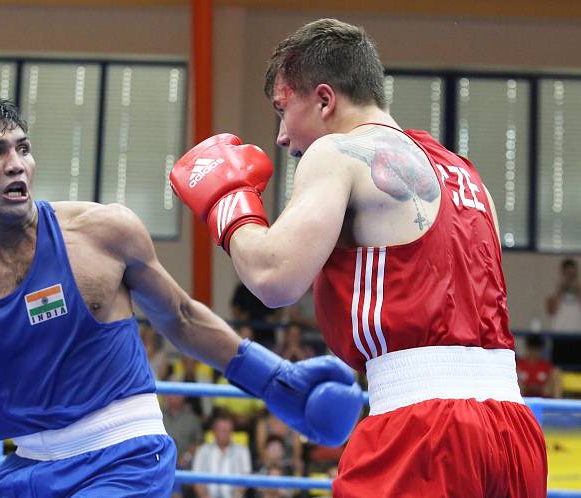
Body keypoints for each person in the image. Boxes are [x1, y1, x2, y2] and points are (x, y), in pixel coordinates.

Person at [0, 94, 363, 496]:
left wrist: (273, 380)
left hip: (123, 455)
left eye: (22, 148)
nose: (16, 164)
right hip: (26, 467)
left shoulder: (100, 233)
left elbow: (180, 316)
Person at [171, 18, 547, 498]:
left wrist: (228, 204)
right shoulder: (466, 175)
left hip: (424, 432)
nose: (282, 137)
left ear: (325, 100)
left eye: (283, 110)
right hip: (513, 431)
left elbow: (272, 277)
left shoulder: (339, 152)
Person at [191, 412, 251, 498]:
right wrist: (204, 496)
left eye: (226, 430)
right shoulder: (202, 450)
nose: (223, 433)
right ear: (214, 431)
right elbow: (196, 479)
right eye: (220, 430)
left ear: (232, 431)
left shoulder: (242, 451)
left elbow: (246, 478)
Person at [516, 334, 562, 398]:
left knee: (556, 372)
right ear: (527, 347)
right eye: (531, 347)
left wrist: (535, 388)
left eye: (536, 348)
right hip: (523, 401)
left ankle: (557, 406)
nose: (533, 351)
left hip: (543, 400)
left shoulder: (546, 366)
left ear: (540, 349)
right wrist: (531, 388)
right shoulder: (519, 365)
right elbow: (521, 389)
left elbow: (547, 390)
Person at [545, 258, 581, 333]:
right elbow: (551, 311)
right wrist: (560, 290)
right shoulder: (553, 291)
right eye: (567, 274)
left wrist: (580, 291)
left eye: (572, 274)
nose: (570, 277)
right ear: (562, 274)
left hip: (579, 335)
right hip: (559, 334)